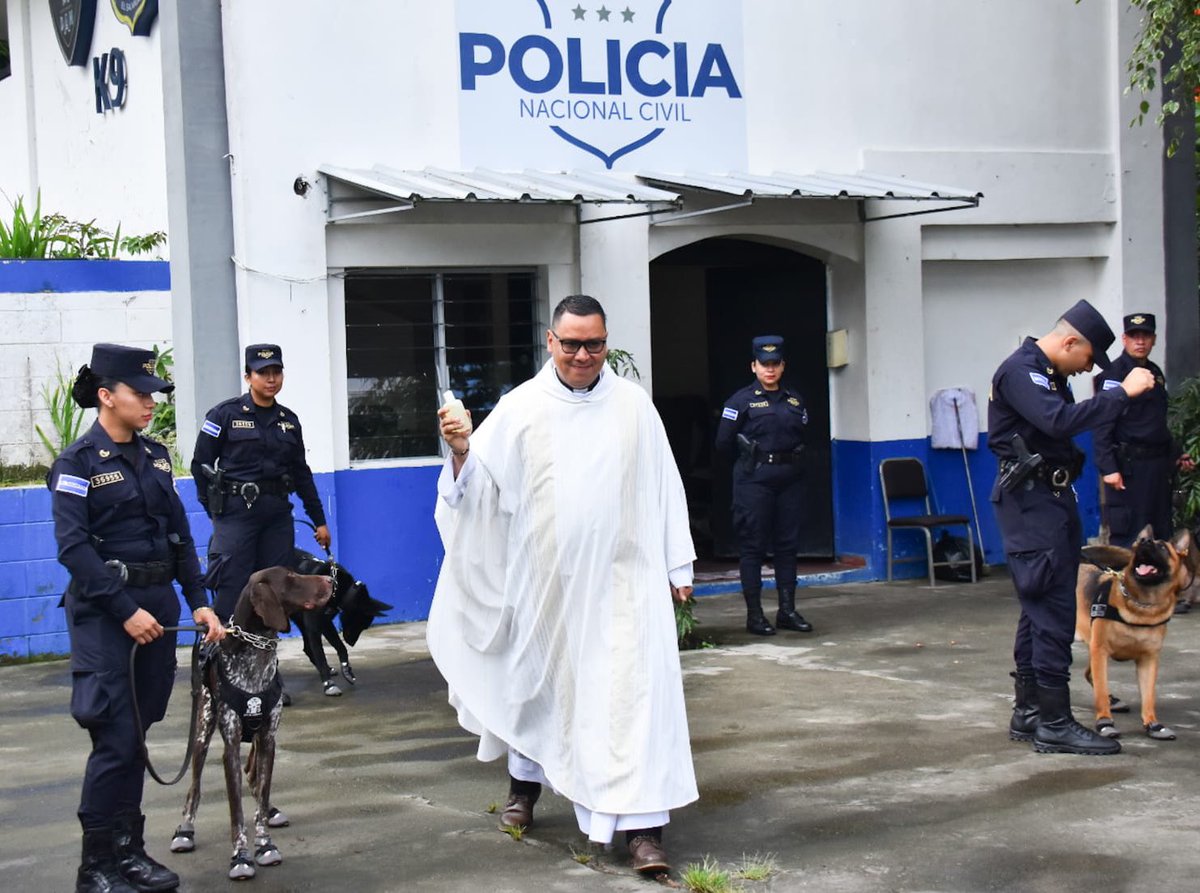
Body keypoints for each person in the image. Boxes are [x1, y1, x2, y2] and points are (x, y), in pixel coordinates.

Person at [427, 295, 698, 875]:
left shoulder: (633, 406)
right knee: (538, 686)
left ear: (606, 342)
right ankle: (524, 789)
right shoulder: (521, 407)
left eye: (593, 344)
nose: (582, 354)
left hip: (625, 584)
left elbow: (664, 485)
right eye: (570, 343)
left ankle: (643, 830)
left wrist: (679, 567)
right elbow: (478, 491)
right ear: (549, 342)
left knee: (632, 699)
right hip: (543, 583)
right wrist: (459, 452)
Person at [50, 344, 224, 893]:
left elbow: (178, 535)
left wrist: (198, 599)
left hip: (160, 610)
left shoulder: (156, 457)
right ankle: (94, 865)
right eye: (140, 393)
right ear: (107, 396)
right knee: (116, 738)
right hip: (107, 615)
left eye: (154, 394)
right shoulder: (76, 465)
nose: (151, 403)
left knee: (139, 734)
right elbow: (73, 550)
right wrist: (125, 611)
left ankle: (129, 853)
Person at [988, 300, 1155, 756]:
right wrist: (1122, 393)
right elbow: (1059, 421)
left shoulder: (1048, 373)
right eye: (1087, 360)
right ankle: (1055, 722)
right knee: (1055, 608)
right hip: (1031, 503)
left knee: (1039, 607)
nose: (1087, 370)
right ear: (1069, 342)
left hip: (1049, 499)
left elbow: (1058, 431)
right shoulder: (1022, 372)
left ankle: (1031, 713)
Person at [191, 344, 331, 696]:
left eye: (276, 372)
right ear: (248, 376)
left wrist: (319, 519)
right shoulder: (224, 415)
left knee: (273, 600)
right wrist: (216, 513)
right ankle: (216, 677)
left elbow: (301, 473)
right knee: (230, 595)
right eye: (262, 372)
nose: (271, 378)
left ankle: (266, 681)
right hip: (236, 516)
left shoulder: (289, 421)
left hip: (276, 516)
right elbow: (200, 466)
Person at [714, 336, 812, 636]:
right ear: (753, 366)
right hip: (754, 481)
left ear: (782, 366)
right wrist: (750, 464)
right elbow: (723, 443)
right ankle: (755, 616)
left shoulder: (795, 400)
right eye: (764, 365)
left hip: (789, 480)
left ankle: (787, 610)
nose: (769, 370)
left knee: (787, 546)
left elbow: (804, 436)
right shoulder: (740, 401)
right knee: (752, 548)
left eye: (775, 364)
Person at [1093, 313, 1195, 550]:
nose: (1140, 341)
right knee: (1130, 538)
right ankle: (1123, 587)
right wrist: (1109, 468)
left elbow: (1157, 422)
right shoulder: (1113, 375)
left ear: (1154, 339)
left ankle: (1158, 586)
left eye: (1146, 336)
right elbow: (1102, 425)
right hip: (1128, 471)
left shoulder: (1155, 373)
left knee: (1160, 534)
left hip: (1157, 468)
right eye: (1134, 336)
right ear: (1124, 339)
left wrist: (1176, 454)